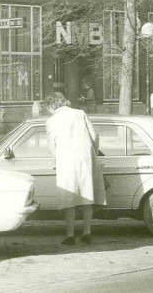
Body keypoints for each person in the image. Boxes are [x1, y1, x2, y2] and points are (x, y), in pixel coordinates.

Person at [44, 92, 106, 245]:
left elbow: (52, 145)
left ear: (52, 105)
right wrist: (93, 153)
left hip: (66, 162)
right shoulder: (80, 114)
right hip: (85, 160)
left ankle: (70, 235)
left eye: (47, 107)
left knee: (69, 199)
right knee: (86, 196)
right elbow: (94, 135)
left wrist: (56, 160)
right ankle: (87, 232)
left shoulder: (51, 121)